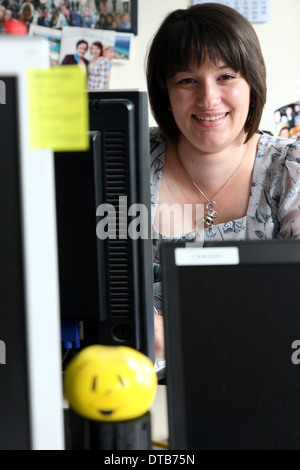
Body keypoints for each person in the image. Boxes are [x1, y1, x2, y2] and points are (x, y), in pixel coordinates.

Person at [145, 3, 300, 359]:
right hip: (130, 380)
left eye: (226, 76)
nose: (208, 98)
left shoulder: (291, 168)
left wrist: (185, 334)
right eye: (186, 80)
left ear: (252, 84)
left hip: (259, 377)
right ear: (165, 94)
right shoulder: (125, 154)